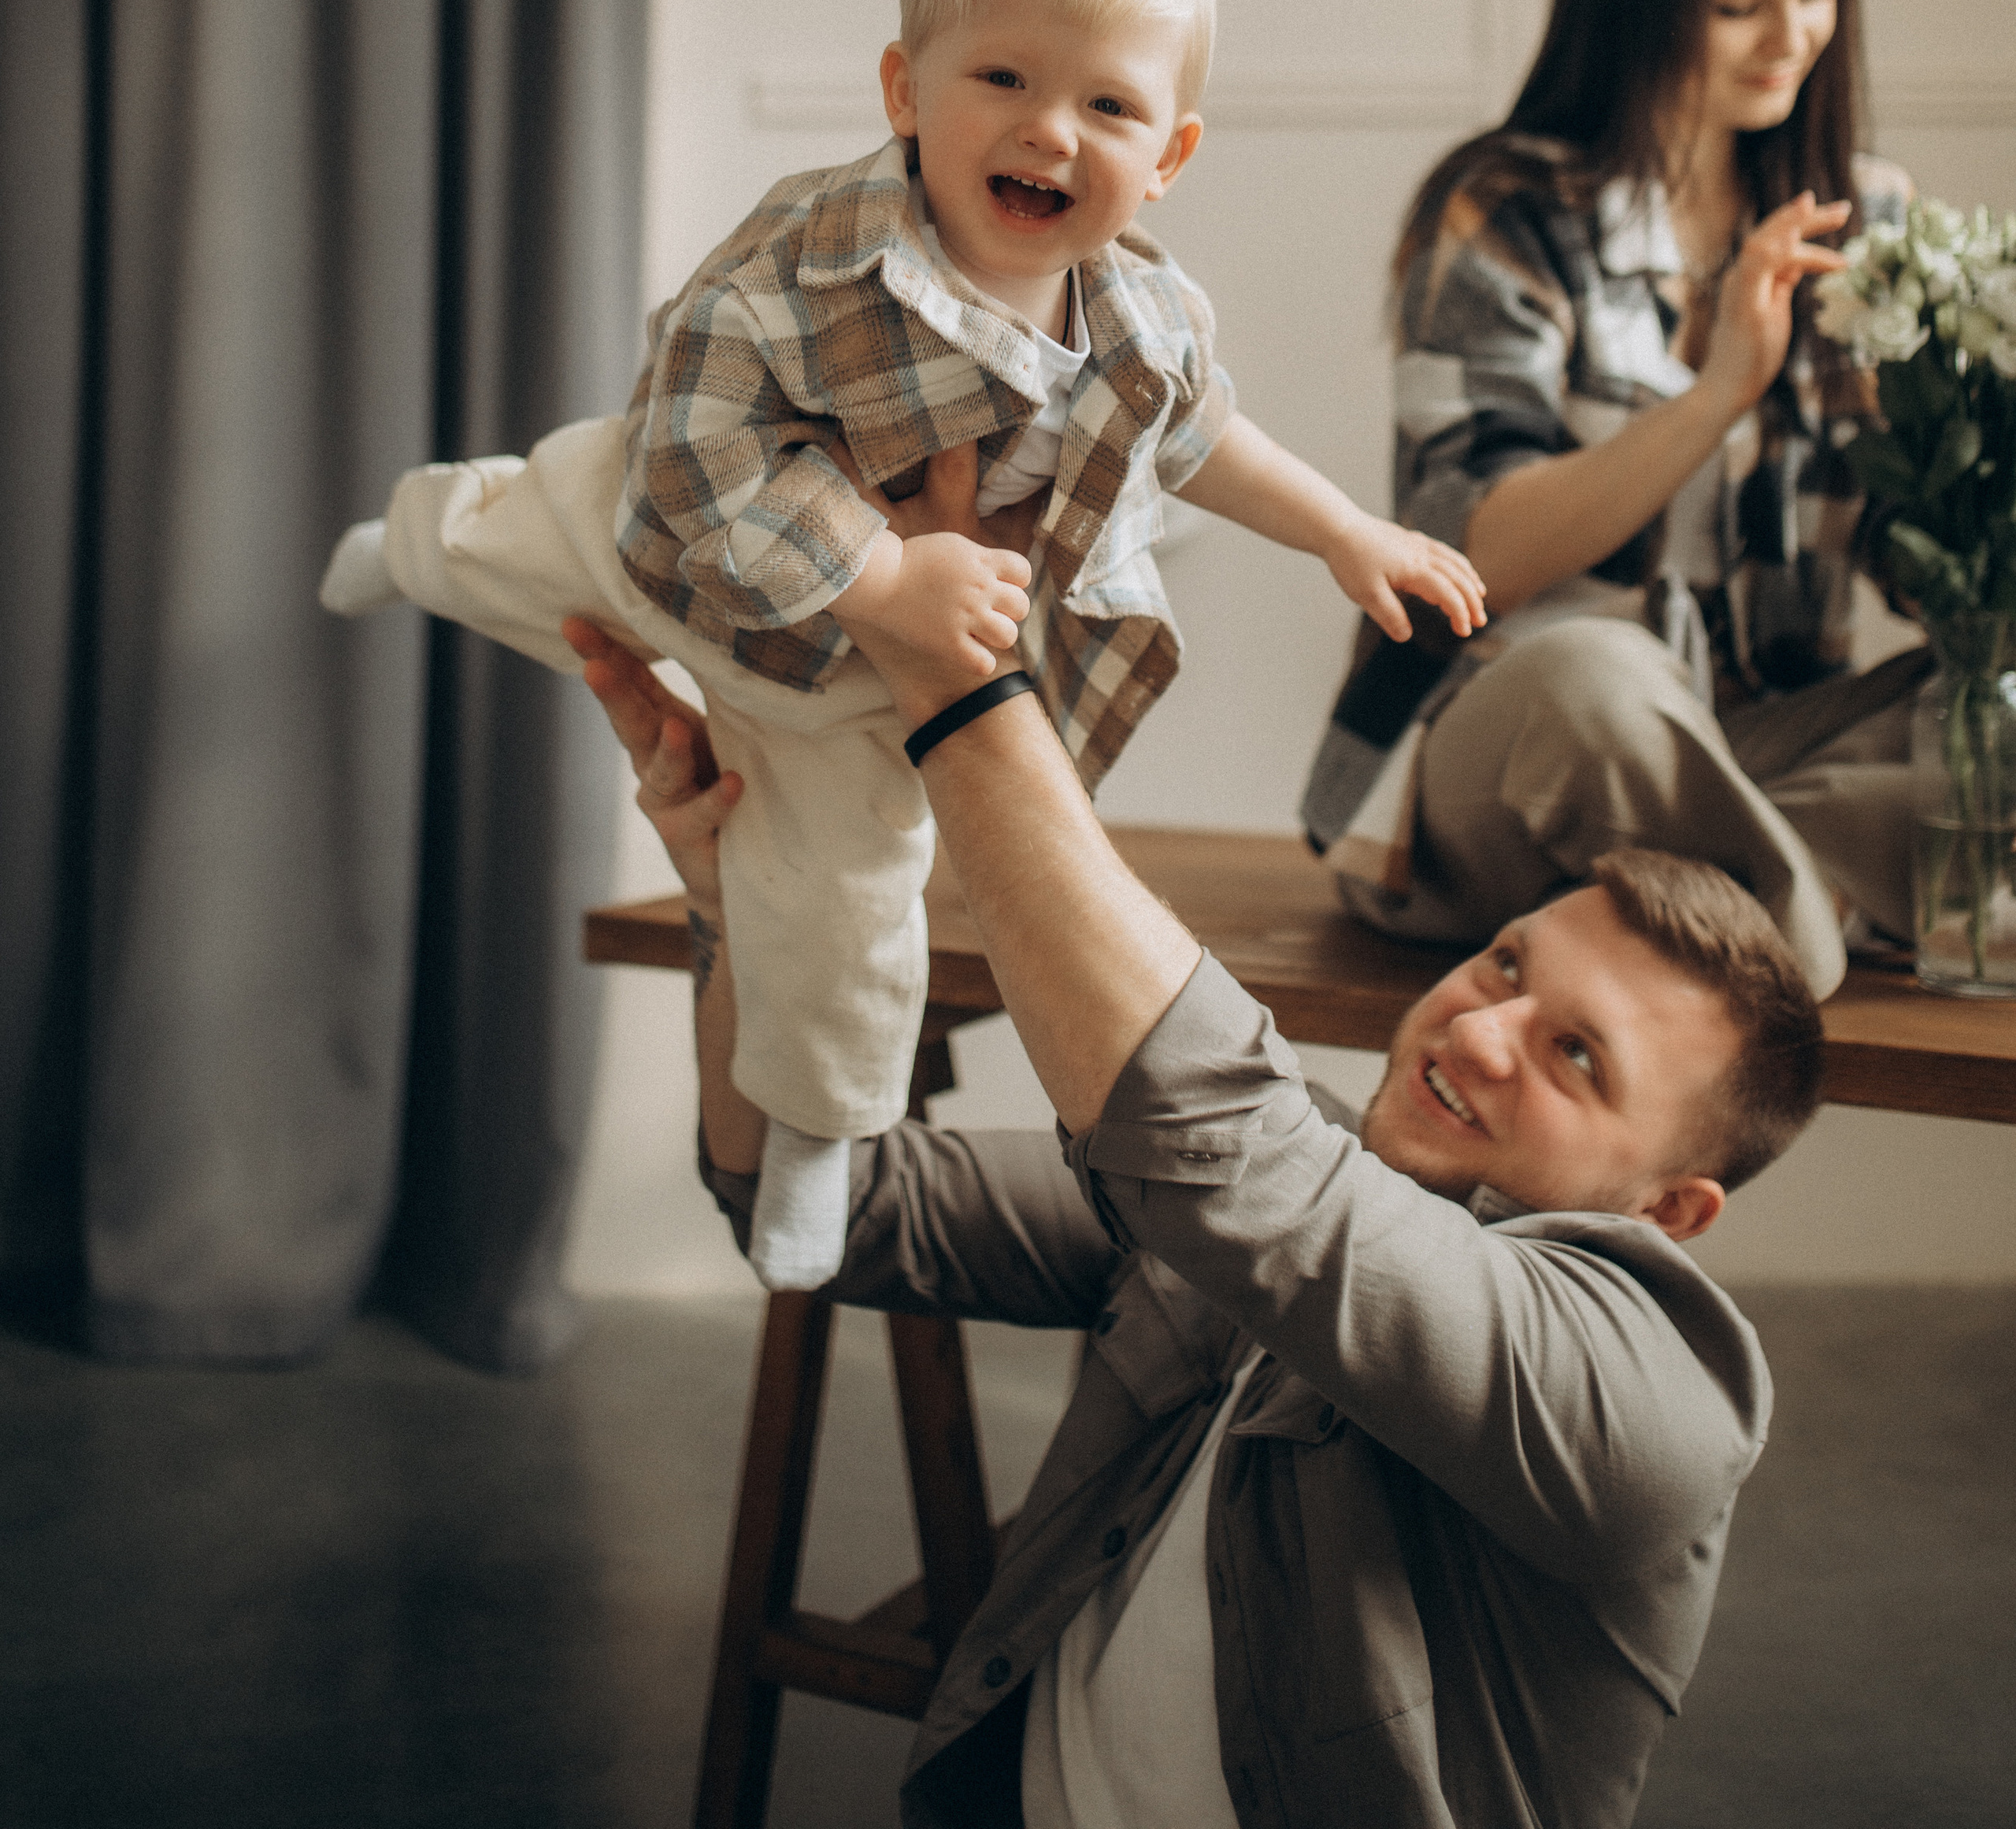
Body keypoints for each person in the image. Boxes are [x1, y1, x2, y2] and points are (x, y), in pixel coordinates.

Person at [561, 431, 1827, 1829]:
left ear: (1671, 1208)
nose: (1477, 1029)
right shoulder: (1296, 1189)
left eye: (1575, 1056)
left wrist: (958, 676)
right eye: (1510, 968)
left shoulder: (1658, 1400)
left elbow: (1228, 1149)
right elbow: (818, 1200)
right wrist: (749, 912)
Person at [322, 0, 1483, 1287]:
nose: (1050, 130)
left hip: (839, 696)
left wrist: (1345, 534)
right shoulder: (812, 253)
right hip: (667, 540)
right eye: (1002, 76)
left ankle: (814, 1138)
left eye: (1108, 105)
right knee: (510, 531)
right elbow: (687, 439)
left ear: (1169, 154)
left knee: (843, 902)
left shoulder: (1143, 317)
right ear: (904, 90)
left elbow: (1208, 437)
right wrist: (878, 573)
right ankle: (405, 544)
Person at [1302, 0, 1928, 1000]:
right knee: (1596, 675)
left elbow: (1917, 558)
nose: (1791, 37)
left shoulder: (1870, 214)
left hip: (1749, 756)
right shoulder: (1507, 210)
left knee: (1983, 717)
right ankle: (1794, 950)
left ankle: (1738, 896)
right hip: (1518, 761)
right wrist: (1715, 395)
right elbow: (1469, 554)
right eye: (1741, 4)